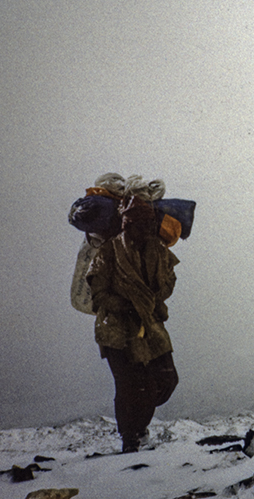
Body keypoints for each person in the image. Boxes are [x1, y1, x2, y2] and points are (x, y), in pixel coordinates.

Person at [83, 174, 180, 454]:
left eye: (149, 224)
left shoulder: (158, 251)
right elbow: (98, 295)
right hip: (116, 329)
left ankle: (138, 427)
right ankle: (131, 439)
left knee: (165, 380)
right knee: (129, 385)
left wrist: (154, 298)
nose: (146, 229)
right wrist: (127, 304)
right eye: (140, 224)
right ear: (128, 224)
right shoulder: (108, 252)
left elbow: (168, 283)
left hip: (149, 325)